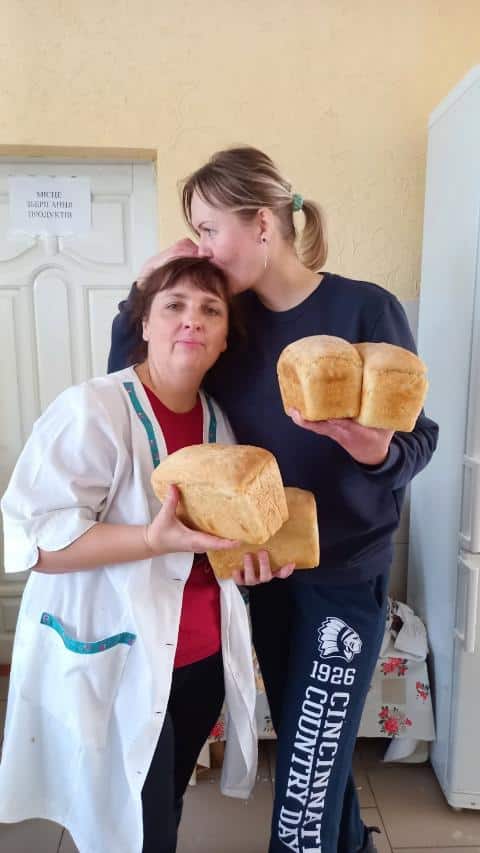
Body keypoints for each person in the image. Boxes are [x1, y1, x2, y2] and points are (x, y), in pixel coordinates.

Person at [108, 146, 439, 853]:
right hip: (259, 573)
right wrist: (139, 290)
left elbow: (420, 440)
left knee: (307, 777)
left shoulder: (365, 307)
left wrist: (375, 450)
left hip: (345, 577)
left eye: (207, 228)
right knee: (308, 745)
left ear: (262, 223)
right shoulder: (233, 323)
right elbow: (129, 384)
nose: (200, 246)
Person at [0, 257, 279, 853]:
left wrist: (252, 561)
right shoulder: (93, 410)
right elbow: (34, 542)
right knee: (133, 826)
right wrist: (150, 542)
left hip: (200, 658)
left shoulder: (218, 420)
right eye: (173, 305)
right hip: (117, 658)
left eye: (210, 310)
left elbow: (214, 543)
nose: (192, 322)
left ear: (226, 335)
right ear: (144, 324)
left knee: (162, 807)